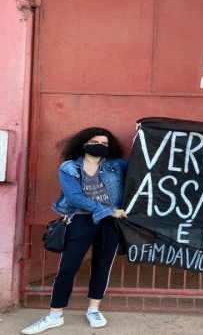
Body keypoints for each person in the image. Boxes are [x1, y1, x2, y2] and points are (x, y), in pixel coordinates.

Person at [22, 127, 129, 335]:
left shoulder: (116, 165)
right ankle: (55, 315)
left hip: (111, 223)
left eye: (105, 144)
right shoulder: (69, 167)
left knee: (102, 266)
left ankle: (93, 310)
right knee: (68, 268)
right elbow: (74, 197)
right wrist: (107, 210)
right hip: (82, 220)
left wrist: (143, 136)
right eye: (96, 142)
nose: (101, 146)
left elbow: (144, 165)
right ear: (84, 144)